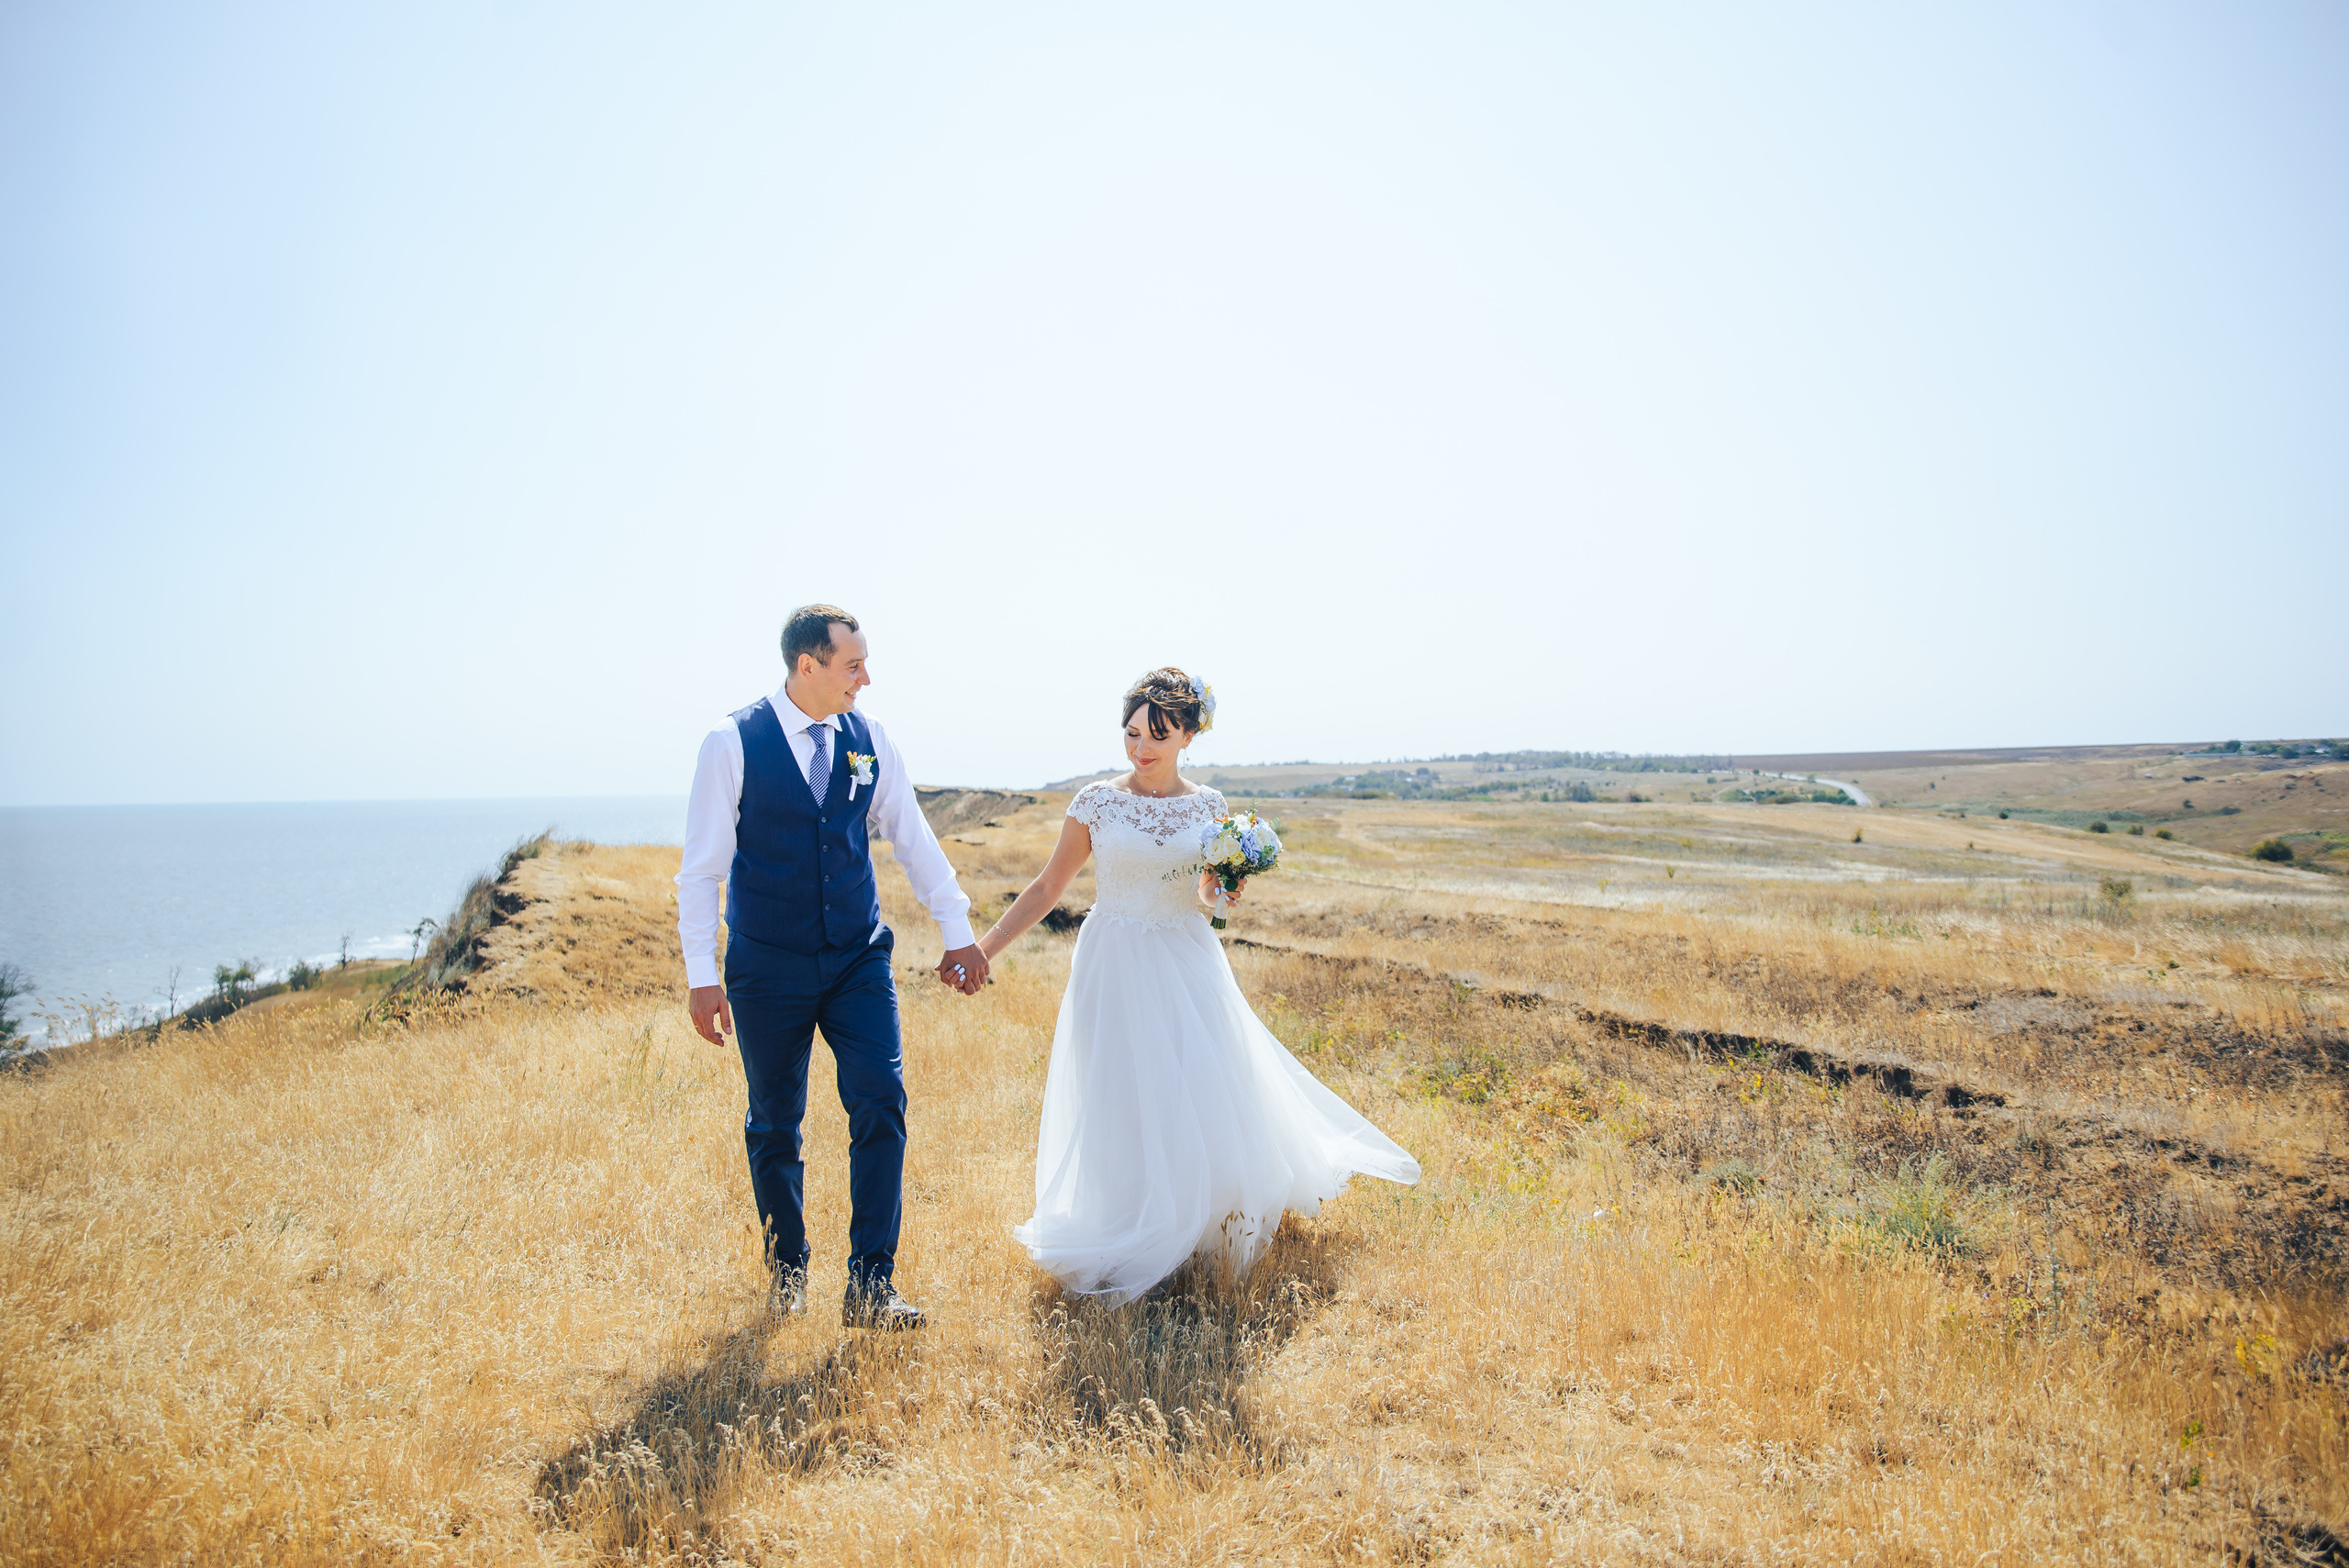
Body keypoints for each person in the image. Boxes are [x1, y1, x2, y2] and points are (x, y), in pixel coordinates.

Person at [979, 667, 1420, 1303]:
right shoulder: (1096, 801)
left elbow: (1206, 895)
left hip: (1186, 956)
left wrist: (1222, 891)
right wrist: (984, 951)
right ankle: (1128, 1215)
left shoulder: (1210, 807)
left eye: (1158, 733)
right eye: (1132, 733)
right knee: (1122, 1088)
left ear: (1188, 733)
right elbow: (1049, 888)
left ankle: (1203, 1217)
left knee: (1198, 1084)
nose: (1141, 747)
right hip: (1114, 958)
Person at [676, 604, 989, 1329]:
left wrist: (957, 930)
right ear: (807, 665)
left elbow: (912, 838)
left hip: (856, 958)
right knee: (774, 1121)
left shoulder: (870, 739)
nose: (866, 678)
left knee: (882, 1097)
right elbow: (701, 870)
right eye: (854, 664)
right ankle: (788, 1272)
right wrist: (702, 974)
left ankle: (871, 1285)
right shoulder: (731, 742)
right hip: (766, 964)